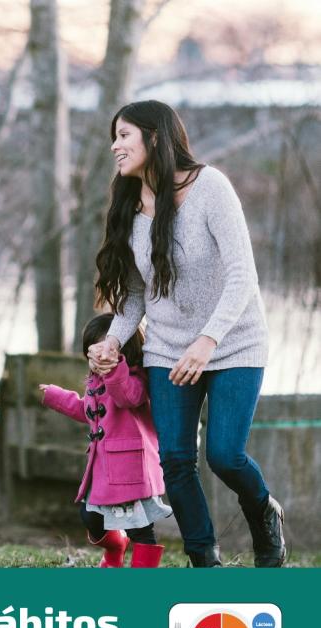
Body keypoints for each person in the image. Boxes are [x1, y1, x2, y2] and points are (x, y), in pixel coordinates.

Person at [91, 100, 283, 568]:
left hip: (233, 342)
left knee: (224, 454)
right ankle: (204, 559)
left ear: (154, 138)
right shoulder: (129, 204)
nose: (115, 146)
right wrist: (113, 341)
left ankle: (263, 511)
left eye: (124, 136)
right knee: (175, 460)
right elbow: (136, 295)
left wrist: (207, 341)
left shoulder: (210, 187)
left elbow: (242, 276)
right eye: (114, 137)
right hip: (168, 350)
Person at [40, 314, 170, 568]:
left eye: (107, 350)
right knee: (91, 517)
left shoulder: (137, 379)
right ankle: (115, 547)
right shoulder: (96, 380)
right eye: (94, 351)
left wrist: (114, 369)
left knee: (140, 528)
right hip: (103, 470)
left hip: (132, 469)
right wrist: (57, 397)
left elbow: (125, 398)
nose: (100, 357)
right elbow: (89, 412)